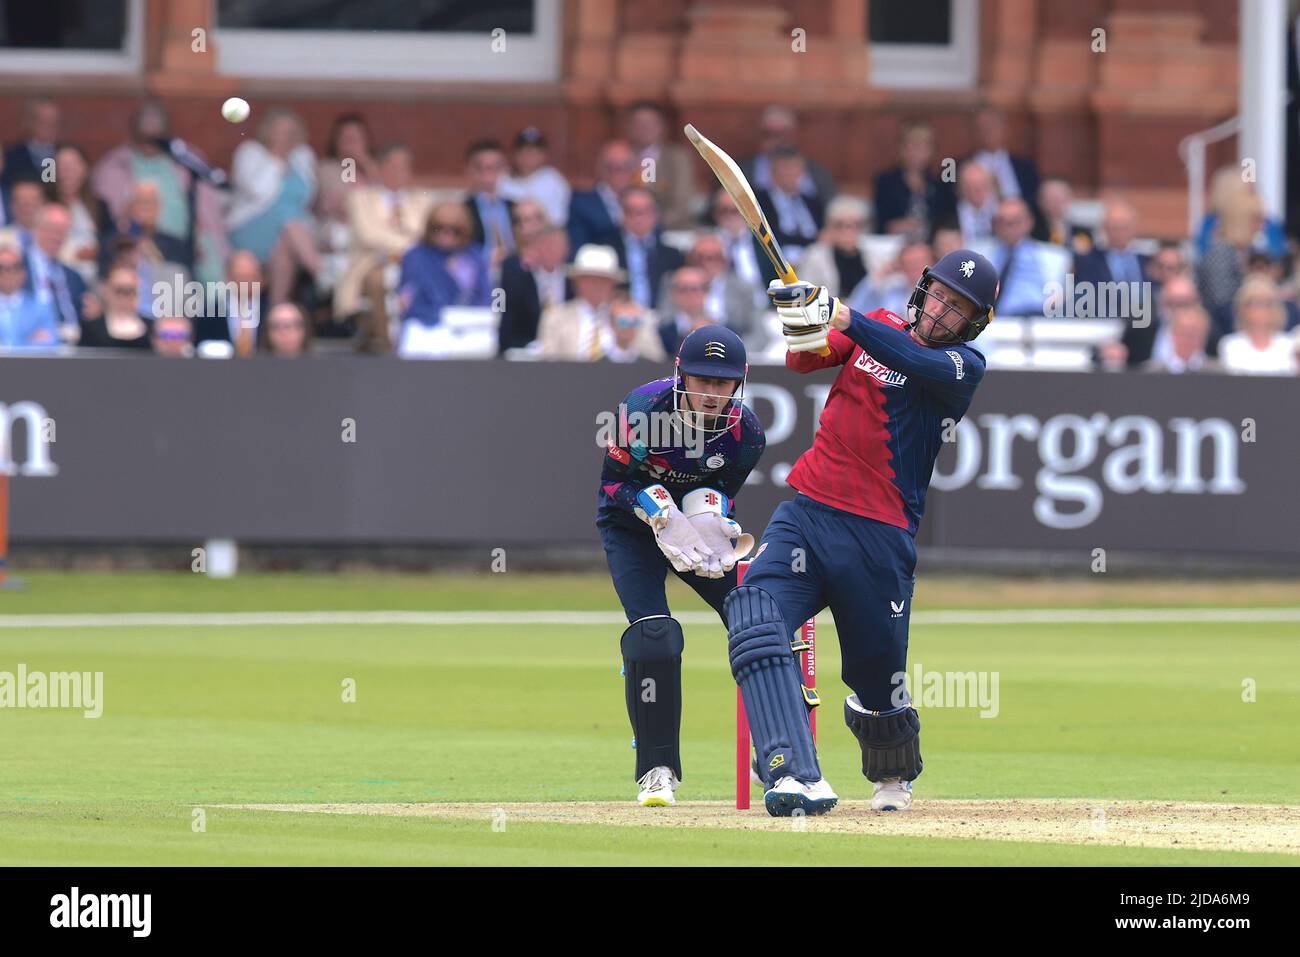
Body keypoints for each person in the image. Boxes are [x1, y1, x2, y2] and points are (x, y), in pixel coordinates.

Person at [725, 248, 993, 817]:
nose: (942, 311)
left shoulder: (963, 366)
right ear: (923, 289)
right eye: (940, 295)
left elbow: (909, 360)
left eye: (957, 308)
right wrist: (802, 321)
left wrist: (843, 316)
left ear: (973, 323)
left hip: (879, 536)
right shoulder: (881, 323)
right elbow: (807, 361)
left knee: (878, 682)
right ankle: (794, 771)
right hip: (808, 512)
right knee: (753, 615)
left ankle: (893, 774)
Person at [597, 324, 766, 806]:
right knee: (655, 635)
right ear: (680, 375)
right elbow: (612, 485)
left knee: (757, 617)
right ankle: (656, 768)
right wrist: (652, 508)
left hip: (694, 536)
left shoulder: (747, 434)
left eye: (722, 382)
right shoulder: (643, 409)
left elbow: (721, 494)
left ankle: (777, 753)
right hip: (631, 529)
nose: (712, 393)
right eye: (701, 380)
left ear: (740, 381)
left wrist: (717, 519)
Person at [92, 100, 228, 285]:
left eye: (156, 139)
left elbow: (210, 215)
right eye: (144, 138)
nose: (150, 144)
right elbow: (108, 218)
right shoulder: (115, 165)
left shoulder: (186, 161)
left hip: (185, 246)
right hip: (138, 245)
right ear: (133, 134)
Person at [226, 109, 320, 307]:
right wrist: (277, 159)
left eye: (291, 132)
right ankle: (320, 271)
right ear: (268, 132)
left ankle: (275, 310)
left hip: (289, 234)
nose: (286, 136)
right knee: (287, 217)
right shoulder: (250, 152)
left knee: (284, 248)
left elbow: (308, 198)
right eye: (281, 131)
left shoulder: (303, 156)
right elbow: (257, 190)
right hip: (251, 227)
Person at [537, 243, 664, 361]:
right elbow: (547, 363)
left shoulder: (635, 315)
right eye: (589, 279)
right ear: (577, 282)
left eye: (603, 280)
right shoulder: (556, 318)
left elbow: (655, 361)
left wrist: (627, 338)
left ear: (613, 284)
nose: (596, 286)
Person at [397, 203, 491, 327]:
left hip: (470, 325)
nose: (447, 235)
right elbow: (411, 302)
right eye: (439, 228)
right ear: (430, 228)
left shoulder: (474, 256)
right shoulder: (416, 256)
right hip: (428, 328)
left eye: (455, 230)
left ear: (465, 231)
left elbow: (485, 297)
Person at [872, 122, 956, 237]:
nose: (917, 152)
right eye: (913, 145)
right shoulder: (885, 181)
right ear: (901, 148)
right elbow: (881, 222)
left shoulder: (940, 183)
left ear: (932, 150)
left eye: (923, 146)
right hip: (896, 244)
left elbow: (946, 220)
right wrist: (897, 225)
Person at [625, 102, 696, 230]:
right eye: (639, 123)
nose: (644, 128)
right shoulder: (621, 156)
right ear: (629, 127)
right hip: (628, 230)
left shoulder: (677, 158)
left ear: (662, 127)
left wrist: (652, 223)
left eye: (649, 123)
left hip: (670, 229)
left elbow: (681, 201)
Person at [613, 186, 683, 311]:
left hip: (661, 321)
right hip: (621, 319)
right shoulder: (609, 250)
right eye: (631, 211)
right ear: (621, 215)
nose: (638, 218)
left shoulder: (673, 256)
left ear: (656, 215)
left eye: (644, 211)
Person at [794, 195, 872, 299]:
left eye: (855, 225)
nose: (847, 231)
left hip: (867, 313)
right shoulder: (815, 256)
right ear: (829, 227)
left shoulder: (872, 254)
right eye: (839, 225)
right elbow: (804, 294)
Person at [1217, 275, 1297, 375]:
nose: (1259, 309)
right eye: (1253, 302)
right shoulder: (1230, 344)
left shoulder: (1290, 345)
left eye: (1266, 303)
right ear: (1242, 309)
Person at [568, 140, 636, 252]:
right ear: (601, 169)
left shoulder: (644, 203)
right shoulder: (581, 205)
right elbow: (577, 250)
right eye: (613, 167)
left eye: (626, 167)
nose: (620, 174)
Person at [499, 127, 571, 228]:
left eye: (535, 151)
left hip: (544, 236)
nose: (529, 155)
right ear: (515, 153)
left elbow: (558, 221)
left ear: (543, 154)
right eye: (524, 150)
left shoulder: (553, 180)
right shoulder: (502, 178)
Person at [0, 240, 59, 350]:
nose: (7, 273)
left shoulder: (41, 308)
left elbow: (50, 346)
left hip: (30, 367)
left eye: (15, 267)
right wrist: (27, 342)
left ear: (24, 273)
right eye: (1, 268)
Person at [1141, 306, 1221, 374]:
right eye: (1183, 333)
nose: (1188, 339)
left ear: (1204, 337)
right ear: (1172, 334)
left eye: (1194, 334)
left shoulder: (1218, 373)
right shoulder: (1151, 372)